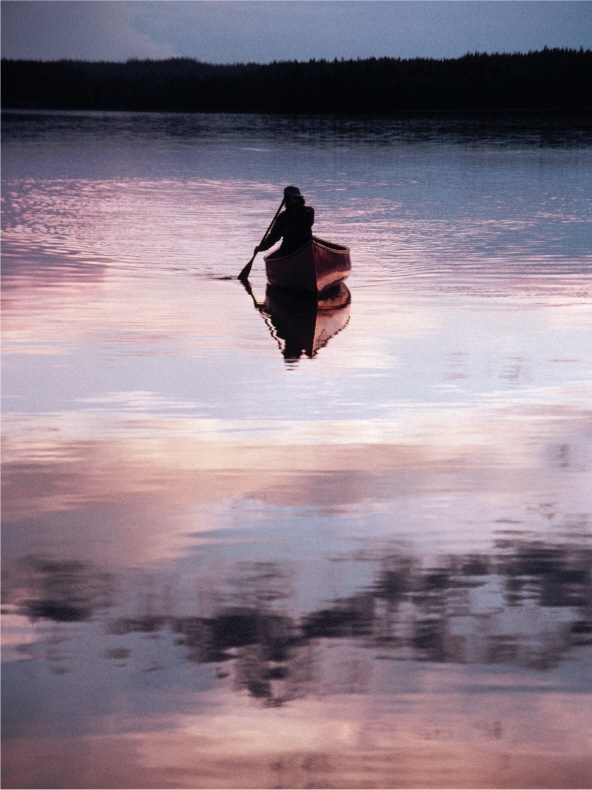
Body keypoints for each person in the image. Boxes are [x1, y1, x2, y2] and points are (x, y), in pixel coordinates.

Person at [254, 186, 315, 258]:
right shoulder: (282, 217)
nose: (291, 202)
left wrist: (293, 202)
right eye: (289, 200)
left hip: (305, 247)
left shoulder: (308, 211)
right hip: (287, 249)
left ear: (300, 200)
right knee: (284, 252)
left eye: (296, 199)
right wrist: (261, 247)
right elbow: (273, 237)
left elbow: (307, 219)